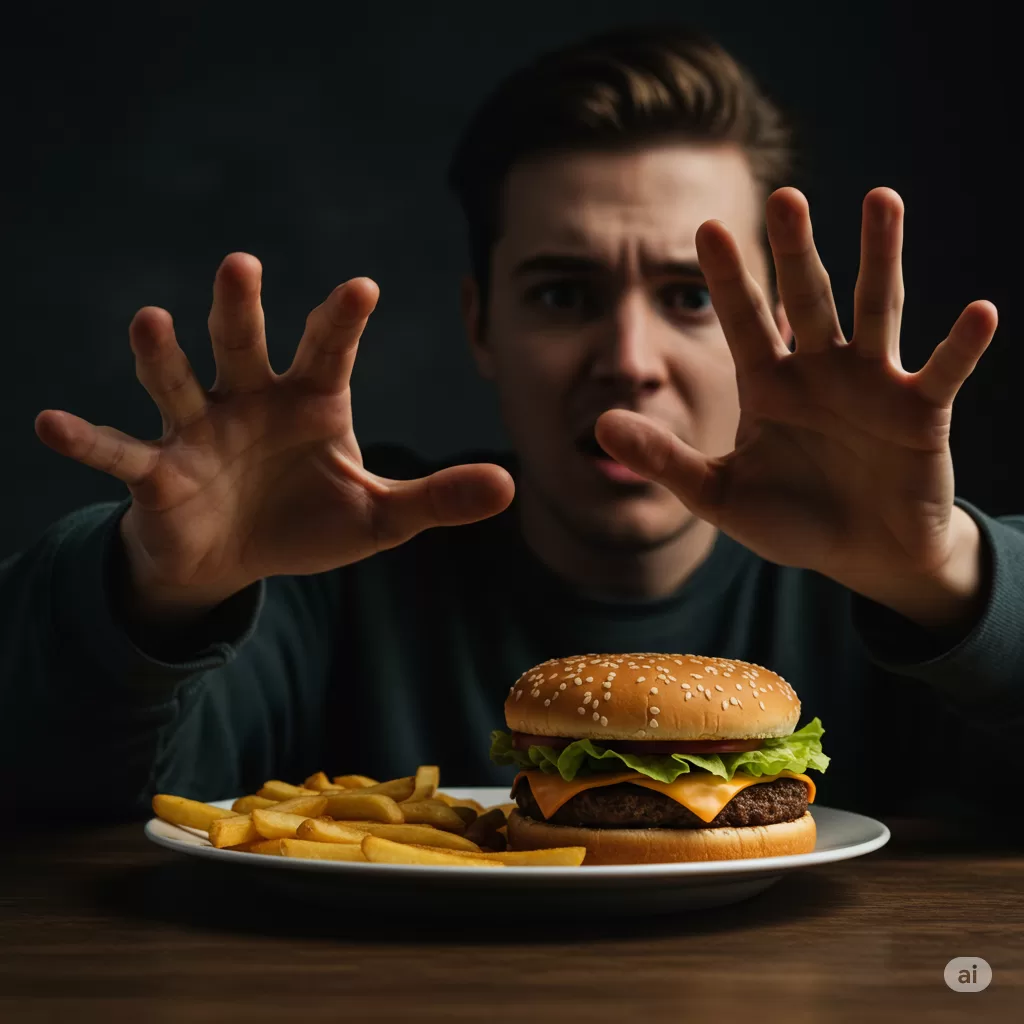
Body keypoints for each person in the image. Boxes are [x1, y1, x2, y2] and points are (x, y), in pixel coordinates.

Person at [2, 25, 1022, 826]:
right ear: (480, 324)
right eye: (563, 294)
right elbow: (50, 789)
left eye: (690, 295)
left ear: (778, 325)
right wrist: (152, 592)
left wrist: (949, 579)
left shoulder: (894, 591)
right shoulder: (325, 570)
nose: (626, 358)